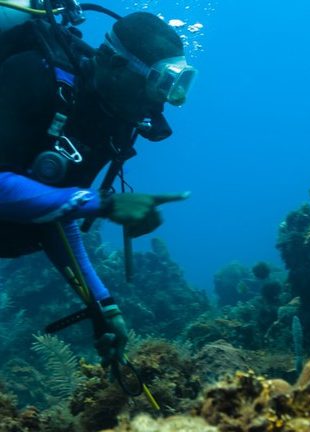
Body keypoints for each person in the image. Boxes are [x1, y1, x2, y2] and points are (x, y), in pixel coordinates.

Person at [0, 11, 197, 368]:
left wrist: (101, 303)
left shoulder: (111, 121)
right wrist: (103, 205)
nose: (161, 103)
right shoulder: (34, 74)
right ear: (115, 63)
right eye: (157, 84)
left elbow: (59, 214)